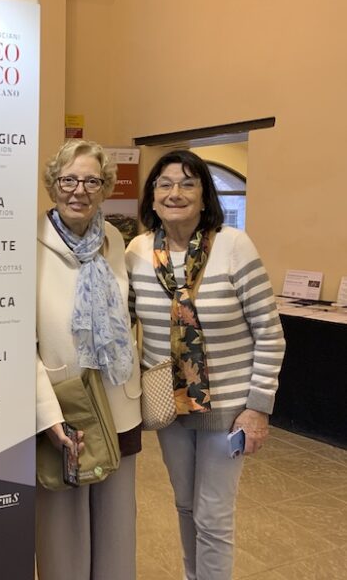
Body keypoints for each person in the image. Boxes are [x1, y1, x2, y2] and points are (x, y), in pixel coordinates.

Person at [126, 149, 285, 580]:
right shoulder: (138, 251)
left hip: (229, 411)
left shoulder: (233, 245)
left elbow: (270, 332)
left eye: (187, 183)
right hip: (169, 408)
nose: (175, 193)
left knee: (213, 516)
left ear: (204, 195)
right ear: (152, 195)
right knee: (185, 506)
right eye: (164, 184)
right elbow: (123, 321)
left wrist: (257, 408)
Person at [36, 139, 142, 580]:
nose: (79, 191)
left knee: (117, 528)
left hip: (118, 402)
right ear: (53, 185)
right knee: (63, 530)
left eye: (92, 181)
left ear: (105, 188)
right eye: (69, 180)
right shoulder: (26, 245)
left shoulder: (114, 240)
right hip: (65, 405)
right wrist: (45, 413)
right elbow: (21, 342)